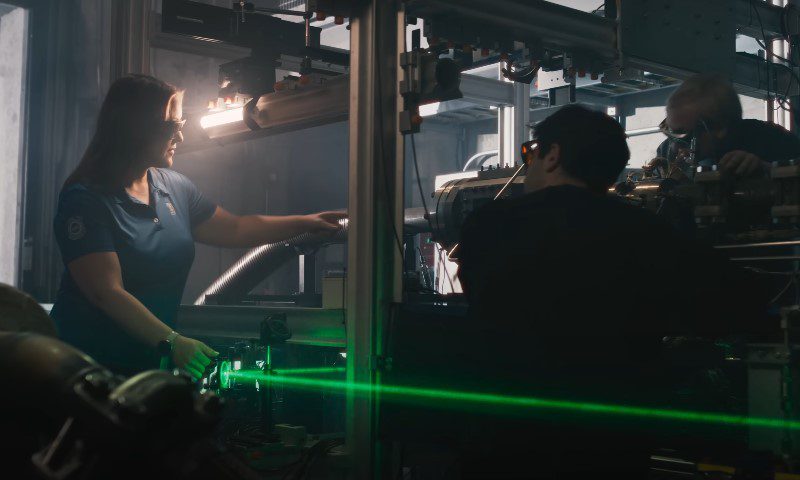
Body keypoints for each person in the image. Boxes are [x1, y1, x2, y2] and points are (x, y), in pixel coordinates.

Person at [456, 105, 767, 478]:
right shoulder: (644, 233)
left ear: (552, 154)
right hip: (604, 450)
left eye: (531, 151)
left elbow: (476, 293)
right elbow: (738, 300)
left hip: (499, 441)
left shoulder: (487, 225)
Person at [50, 75, 346, 379]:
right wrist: (174, 342)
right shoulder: (86, 200)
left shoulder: (173, 187)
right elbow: (106, 292)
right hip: (83, 368)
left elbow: (235, 228)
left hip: (144, 366)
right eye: (172, 127)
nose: (180, 137)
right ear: (137, 128)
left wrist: (308, 222)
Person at [650, 72, 800, 180]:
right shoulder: (665, 152)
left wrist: (768, 170)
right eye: (669, 132)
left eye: (685, 136)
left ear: (721, 129)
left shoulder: (772, 140)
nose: (675, 148)